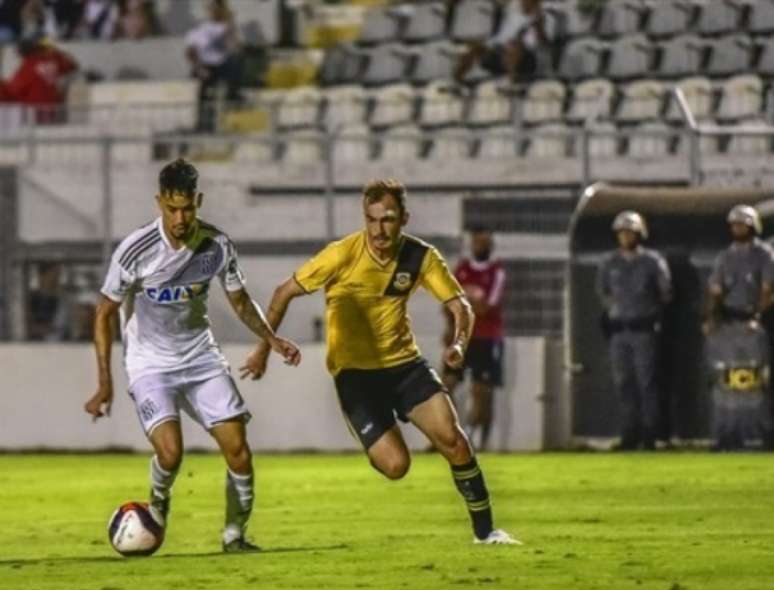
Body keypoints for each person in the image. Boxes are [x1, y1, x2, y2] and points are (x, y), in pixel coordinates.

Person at [243, 179, 518, 545]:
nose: (378, 230)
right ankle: (376, 431)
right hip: (356, 376)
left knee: (454, 441)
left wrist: (459, 344)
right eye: (371, 220)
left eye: (387, 220)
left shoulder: (420, 257)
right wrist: (265, 348)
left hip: (404, 366)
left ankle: (487, 533)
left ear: (404, 218)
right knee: (395, 466)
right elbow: (284, 292)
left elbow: (459, 306)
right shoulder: (342, 254)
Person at [84, 158, 301, 553]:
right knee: (170, 451)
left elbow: (239, 301)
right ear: (159, 203)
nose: (180, 218)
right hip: (149, 363)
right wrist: (104, 383)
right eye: (171, 208)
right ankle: (159, 502)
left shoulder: (217, 245)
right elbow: (103, 313)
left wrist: (271, 339)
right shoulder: (136, 250)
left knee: (238, 448)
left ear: (198, 201)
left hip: (201, 358)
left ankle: (234, 536)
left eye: (187, 208)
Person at [596, 210, 672, 451]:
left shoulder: (652, 261)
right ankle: (630, 432)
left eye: (630, 232)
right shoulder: (609, 263)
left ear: (640, 234)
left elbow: (666, 293)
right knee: (623, 383)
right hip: (619, 331)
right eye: (622, 233)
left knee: (646, 382)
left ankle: (651, 433)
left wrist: (650, 309)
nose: (626, 236)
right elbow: (603, 292)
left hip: (643, 329)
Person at [704, 204, 774, 451]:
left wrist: (758, 315)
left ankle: (762, 433)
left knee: (757, 379)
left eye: (742, 224)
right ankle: (726, 434)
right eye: (734, 225)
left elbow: (768, 290)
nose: (738, 228)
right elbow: (716, 290)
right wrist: (712, 317)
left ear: (753, 226)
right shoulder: (725, 257)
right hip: (729, 324)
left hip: (755, 324)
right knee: (725, 379)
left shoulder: (764, 255)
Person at [441, 227, 506, 451]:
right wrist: (451, 326)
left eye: (485, 243)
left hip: (487, 338)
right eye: (478, 242)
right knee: (446, 385)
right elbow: (447, 302)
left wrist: (463, 306)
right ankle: (449, 436)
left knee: (481, 392)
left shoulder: (496, 272)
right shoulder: (462, 271)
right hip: (462, 338)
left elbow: (487, 307)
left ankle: (479, 440)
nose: (481, 247)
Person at [454, 0, 549, 84]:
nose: (524, 2)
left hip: (527, 58)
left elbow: (544, 43)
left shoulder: (539, 17)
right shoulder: (513, 10)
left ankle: (511, 83)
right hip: (502, 51)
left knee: (513, 46)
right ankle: (458, 82)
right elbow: (497, 40)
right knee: (474, 48)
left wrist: (539, 27)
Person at [185, 0, 243, 131]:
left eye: (216, 7)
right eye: (210, 7)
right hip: (204, 66)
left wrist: (230, 24)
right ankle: (201, 123)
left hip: (222, 65)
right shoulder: (200, 28)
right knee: (202, 86)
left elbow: (235, 47)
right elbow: (190, 52)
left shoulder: (226, 27)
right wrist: (199, 68)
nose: (213, 10)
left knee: (234, 63)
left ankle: (233, 103)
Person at [0, 34, 78, 123]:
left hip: (34, 113)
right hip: (51, 110)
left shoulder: (29, 65)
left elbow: (13, 90)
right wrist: (53, 49)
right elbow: (72, 65)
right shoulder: (53, 60)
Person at [27, 261, 68, 340]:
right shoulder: (31, 298)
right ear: (42, 275)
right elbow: (26, 326)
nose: (57, 279)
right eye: (54, 275)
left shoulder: (62, 299)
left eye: (58, 275)